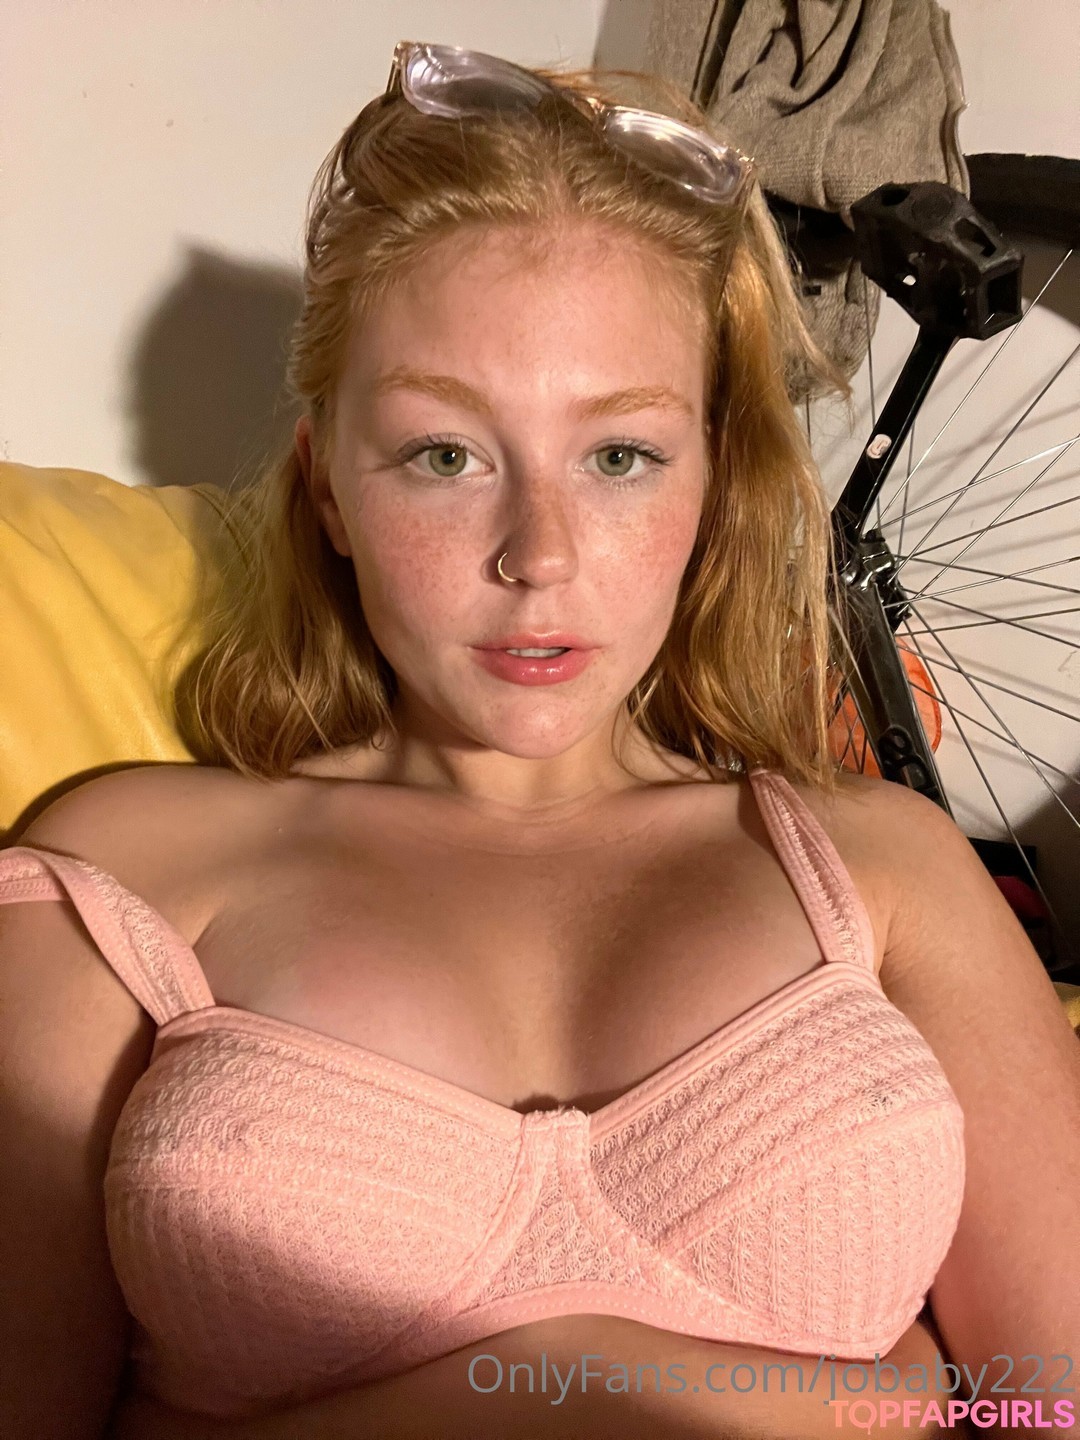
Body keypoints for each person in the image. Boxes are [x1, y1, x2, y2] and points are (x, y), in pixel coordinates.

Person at [3, 39, 1078, 1440]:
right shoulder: (120, 871)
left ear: (713, 487)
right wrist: (620, 1376)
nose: (539, 557)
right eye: (445, 455)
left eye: (621, 457)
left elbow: (1047, 1405)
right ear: (328, 492)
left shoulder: (884, 865)